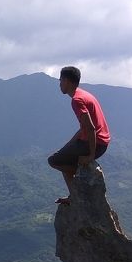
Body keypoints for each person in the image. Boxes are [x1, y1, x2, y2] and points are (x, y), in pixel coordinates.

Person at [47, 66, 110, 205]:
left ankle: (84, 173)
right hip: (101, 142)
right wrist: (67, 146)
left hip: (94, 143)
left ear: (67, 81)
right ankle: (73, 196)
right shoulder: (85, 94)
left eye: (61, 81)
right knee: (61, 157)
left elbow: (91, 128)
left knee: (53, 161)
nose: (60, 85)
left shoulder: (77, 100)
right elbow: (84, 128)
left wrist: (91, 156)